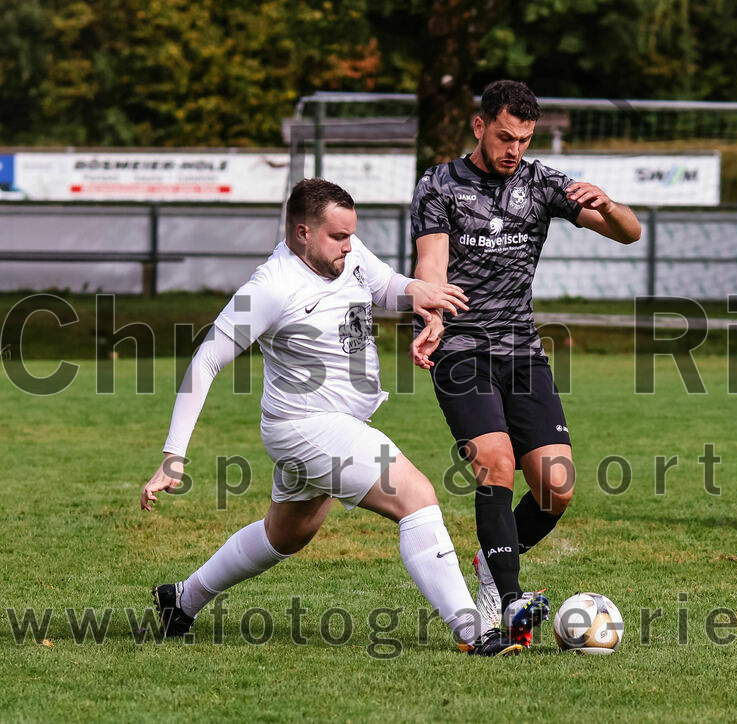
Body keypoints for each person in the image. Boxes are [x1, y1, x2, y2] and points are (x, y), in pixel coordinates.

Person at [140, 178, 523, 656]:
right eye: (337, 237)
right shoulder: (272, 286)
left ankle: (182, 599)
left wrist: (419, 293)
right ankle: (477, 632)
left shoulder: (349, 251)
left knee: (287, 534)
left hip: (333, 425)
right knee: (417, 497)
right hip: (306, 426)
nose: (349, 245)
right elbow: (206, 361)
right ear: (302, 233)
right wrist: (173, 456)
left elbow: (384, 286)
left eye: (351, 235)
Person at [409, 80, 642, 645]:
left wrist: (607, 204)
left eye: (525, 139)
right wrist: (433, 315)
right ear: (479, 126)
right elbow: (431, 263)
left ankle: (492, 562)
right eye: (506, 137)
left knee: (556, 487)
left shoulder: (541, 183)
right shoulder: (440, 184)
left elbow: (630, 235)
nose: (514, 150)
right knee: (495, 460)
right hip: (460, 345)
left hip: (520, 348)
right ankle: (509, 601)